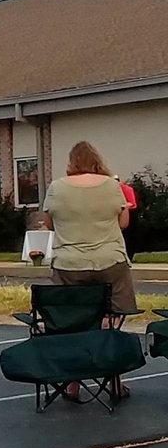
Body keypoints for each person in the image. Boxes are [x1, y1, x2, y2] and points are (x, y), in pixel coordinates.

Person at [44, 142, 135, 395]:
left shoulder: (56, 187)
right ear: (97, 160)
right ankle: (113, 381)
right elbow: (123, 222)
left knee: (72, 325)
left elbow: (50, 223)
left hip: (69, 264)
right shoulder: (112, 186)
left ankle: (73, 384)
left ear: (71, 162)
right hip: (110, 262)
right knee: (111, 323)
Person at [116, 175, 138, 261]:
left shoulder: (126, 189)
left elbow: (132, 204)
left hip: (127, 216)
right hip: (116, 216)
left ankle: (128, 257)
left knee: (127, 239)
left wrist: (123, 207)